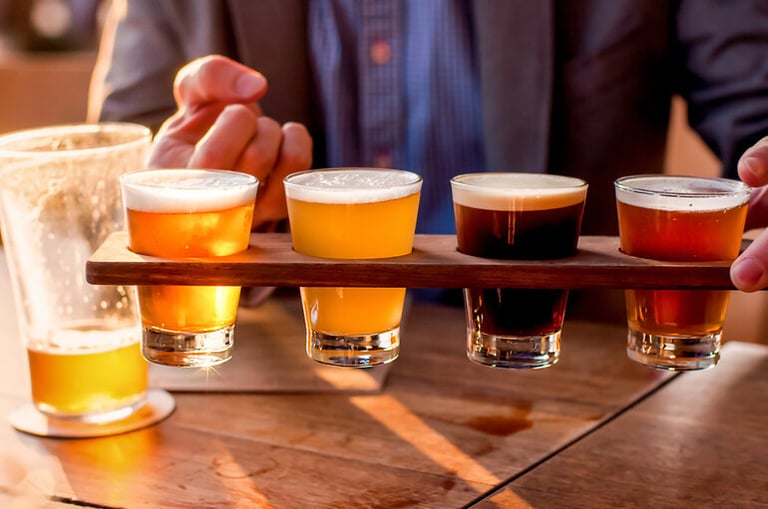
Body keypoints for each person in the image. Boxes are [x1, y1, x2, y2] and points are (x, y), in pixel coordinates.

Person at [88, 0, 768, 296]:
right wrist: (184, 188)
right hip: (276, 381)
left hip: (569, 386)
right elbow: (112, 161)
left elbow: (755, 100)